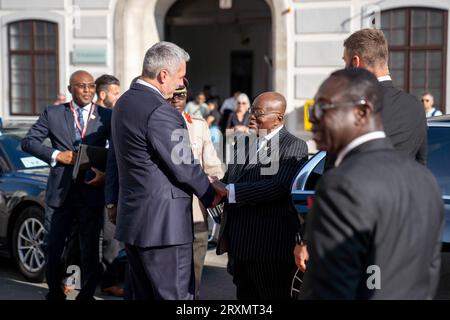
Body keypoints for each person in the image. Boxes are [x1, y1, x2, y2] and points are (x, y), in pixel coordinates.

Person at [298, 68, 444, 299]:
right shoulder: (425, 179)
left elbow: (330, 290)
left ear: (362, 112)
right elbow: (428, 274)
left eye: (322, 108)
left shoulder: (341, 184)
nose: (312, 119)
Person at [295, 28, 429, 273]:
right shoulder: (415, 107)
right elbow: (420, 167)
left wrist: (306, 238)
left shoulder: (352, 109)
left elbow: (331, 179)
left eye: (345, 61)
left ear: (356, 62)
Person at [108, 41, 219, 300]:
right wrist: (212, 196)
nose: (182, 83)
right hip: (165, 228)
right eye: (180, 76)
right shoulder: (161, 110)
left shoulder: (123, 102)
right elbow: (186, 167)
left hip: (135, 223)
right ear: (163, 75)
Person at [21, 70, 112, 300]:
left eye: (91, 86)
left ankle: (86, 295)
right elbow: (28, 142)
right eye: (81, 86)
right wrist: (55, 155)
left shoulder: (106, 116)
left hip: (92, 190)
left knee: (90, 249)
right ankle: (54, 293)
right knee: (53, 247)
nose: (87, 90)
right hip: (60, 194)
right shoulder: (53, 113)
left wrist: (106, 173)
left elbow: (119, 152)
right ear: (70, 89)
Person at [211, 92, 308, 300]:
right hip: (239, 247)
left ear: (278, 119)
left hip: (268, 249)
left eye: (258, 112)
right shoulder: (244, 143)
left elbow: (277, 186)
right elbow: (230, 178)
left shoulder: (293, 146)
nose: (251, 116)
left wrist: (229, 191)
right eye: (251, 110)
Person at [168, 79, 224, 299]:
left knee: (195, 261)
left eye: (180, 95)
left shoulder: (198, 125)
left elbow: (211, 163)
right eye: (172, 95)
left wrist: (219, 186)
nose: (176, 100)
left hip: (195, 207)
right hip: (166, 206)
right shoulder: (155, 122)